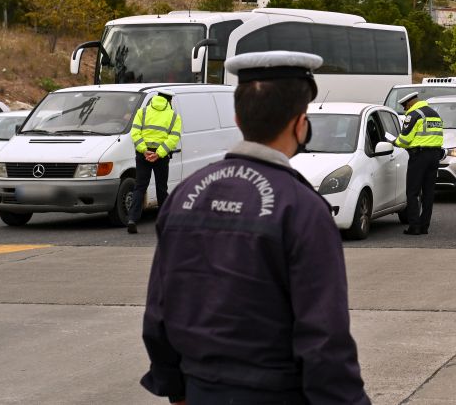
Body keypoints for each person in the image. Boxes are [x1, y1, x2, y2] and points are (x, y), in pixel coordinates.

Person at [140, 51, 370, 404]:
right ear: (300, 124)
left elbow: (159, 309)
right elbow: (324, 335)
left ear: (237, 116)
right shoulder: (304, 208)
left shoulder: (185, 195)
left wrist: (174, 385)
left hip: (200, 390)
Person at [127, 89, 181, 234]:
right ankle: (164, 221)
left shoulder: (142, 112)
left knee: (139, 187)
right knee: (161, 188)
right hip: (161, 156)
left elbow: (135, 133)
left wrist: (144, 150)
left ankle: (132, 219)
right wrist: (159, 153)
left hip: (143, 155)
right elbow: (174, 137)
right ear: (169, 100)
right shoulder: (173, 116)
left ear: (156, 98)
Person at [393, 92, 444, 235]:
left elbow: (404, 140)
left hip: (419, 156)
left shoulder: (414, 115)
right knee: (428, 193)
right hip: (434, 156)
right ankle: (424, 226)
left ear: (410, 103)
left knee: (413, 192)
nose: (405, 110)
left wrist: (393, 142)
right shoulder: (435, 114)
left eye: (405, 107)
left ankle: (414, 226)